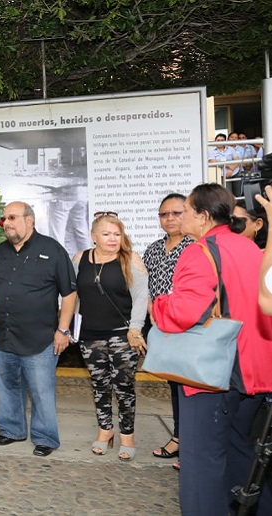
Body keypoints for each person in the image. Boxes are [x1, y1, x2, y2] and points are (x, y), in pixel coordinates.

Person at [153, 183, 272, 515]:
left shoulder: (199, 250)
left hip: (214, 375)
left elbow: (184, 311)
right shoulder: (250, 247)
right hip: (253, 373)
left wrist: (159, 306)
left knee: (201, 464)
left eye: (187, 210)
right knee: (241, 455)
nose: (182, 217)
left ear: (203, 216)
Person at [0, 201, 77, 457]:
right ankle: (11, 429)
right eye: (4, 219)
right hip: (4, 336)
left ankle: (45, 437)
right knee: (6, 386)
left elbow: (69, 294)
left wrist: (63, 330)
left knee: (41, 391)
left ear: (30, 220)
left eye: (12, 217)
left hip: (40, 339)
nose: (6, 223)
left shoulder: (52, 250)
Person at [72, 212, 148, 461]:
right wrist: (69, 327)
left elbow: (140, 297)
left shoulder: (131, 259)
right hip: (90, 335)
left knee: (124, 387)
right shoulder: (80, 259)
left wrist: (135, 329)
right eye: (106, 234)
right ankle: (105, 430)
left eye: (117, 234)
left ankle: (127, 434)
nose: (113, 238)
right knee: (99, 385)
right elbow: (73, 296)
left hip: (123, 336)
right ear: (94, 236)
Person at [142, 194, 193, 469]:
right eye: (164, 214)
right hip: (162, 328)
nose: (170, 218)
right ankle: (179, 437)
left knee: (191, 386)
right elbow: (146, 288)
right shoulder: (152, 249)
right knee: (175, 385)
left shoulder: (196, 246)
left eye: (176, 213)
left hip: (189, 328)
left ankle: (191, 442)